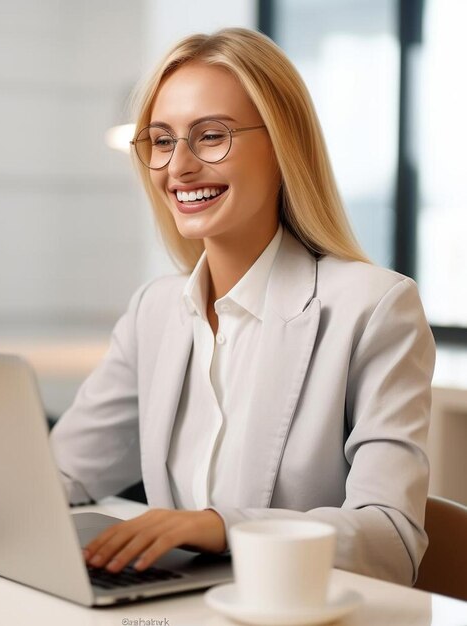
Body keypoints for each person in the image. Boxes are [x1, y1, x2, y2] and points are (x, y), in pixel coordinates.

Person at [50, 27, 435, 586]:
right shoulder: (154, 311)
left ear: (285, 147)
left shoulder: (374, 308)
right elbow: (62, 473)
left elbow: (391, 539)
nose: (178, 166)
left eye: (210, 136)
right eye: (161, 140)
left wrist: (220, 526)